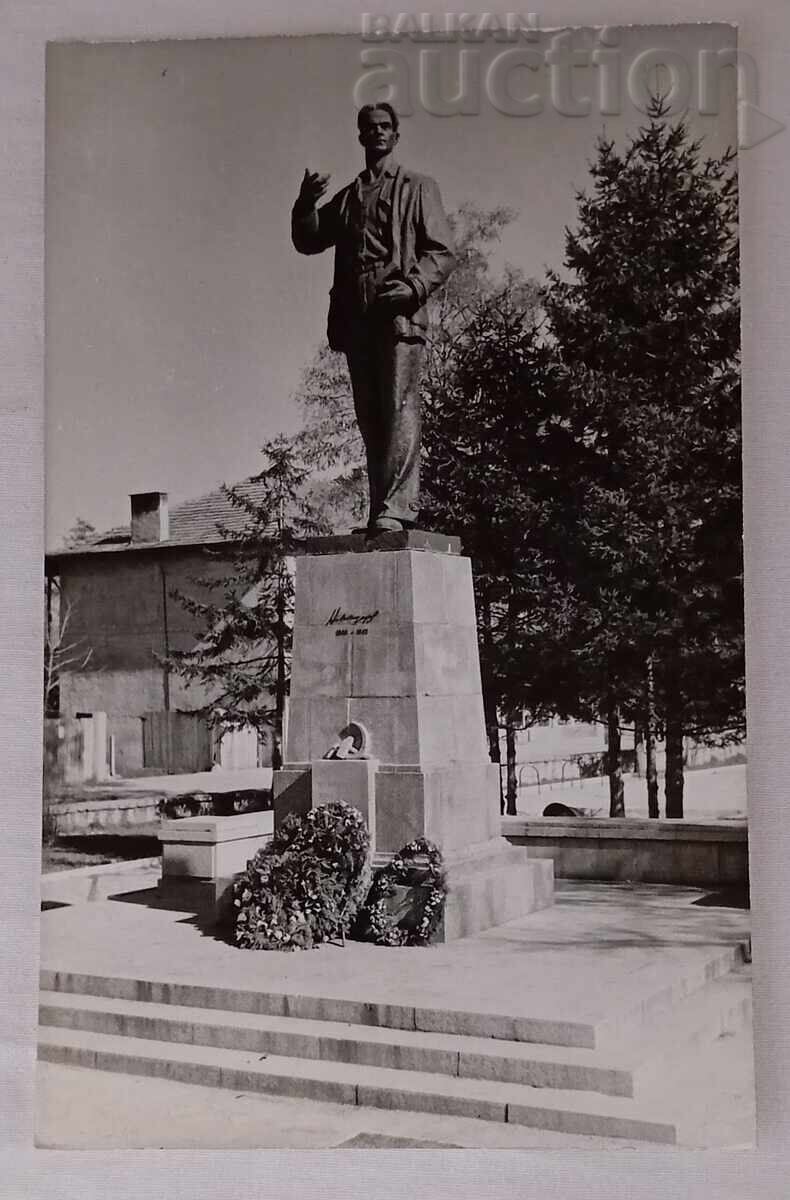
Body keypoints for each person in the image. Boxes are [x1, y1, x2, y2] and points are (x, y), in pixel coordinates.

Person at [291, 103, 456, 532]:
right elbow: (309, 240)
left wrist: (415, 286)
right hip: (358, 318)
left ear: (396, 136)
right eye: (369, 128)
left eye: (385, 127)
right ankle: (381, 510)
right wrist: (306, 202)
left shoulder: (419, 187)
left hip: (399, 314)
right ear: (361, 137)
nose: (377, 133)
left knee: (399, 406)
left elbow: (442, 251)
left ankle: (397, 509)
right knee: (371, 416)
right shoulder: (349, 197)